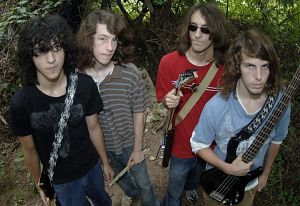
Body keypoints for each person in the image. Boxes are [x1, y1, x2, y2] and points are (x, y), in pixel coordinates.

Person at [9, 15, 114, 206]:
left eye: (57, 48)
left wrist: (105, 162)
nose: (51, 59)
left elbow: (94, 127)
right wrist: (40, 184)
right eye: (41, 51)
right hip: (62, 180)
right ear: (29, 56)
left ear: (66, 48)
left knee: (102, 200)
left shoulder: (84, 85)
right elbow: (30, 151)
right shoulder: (21, 103)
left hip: (91, 166)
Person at [190, 28, 291, 206]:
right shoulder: (217, 106)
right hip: (217, 180)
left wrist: (265, 173)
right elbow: (198, 145)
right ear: (238, 67)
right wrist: (227, 168)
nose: (259, 76)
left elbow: (277, 140)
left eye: (265, 66)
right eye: (250, 66)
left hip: (249, 184)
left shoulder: (280, 103)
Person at [76, 10, 160, 206]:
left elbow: (140, 111)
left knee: (145, 184)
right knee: (120, 179)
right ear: (88, 39)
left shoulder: (130, 73)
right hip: (102, 148)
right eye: (103, 39)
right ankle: (132, 193)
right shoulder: (77, 80)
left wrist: (138, 148)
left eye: (114, 40)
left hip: (131, 142)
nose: (110, 47)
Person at [155, 3, 230, 205]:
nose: (197, 34)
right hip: (180, 146)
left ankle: (191, 188)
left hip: (210, 146)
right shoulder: (168, 63)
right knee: (175, 187)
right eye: (193, 27)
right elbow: (162, 98)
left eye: (205, 29)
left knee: (196, 177)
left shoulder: (226, 70)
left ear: (216, 34)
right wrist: (167, 101)